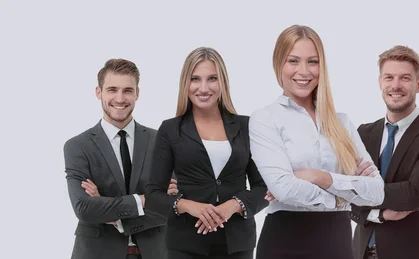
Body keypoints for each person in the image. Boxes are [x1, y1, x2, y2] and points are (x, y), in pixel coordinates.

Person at [248, 24, 385, 259]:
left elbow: (376, 192)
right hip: (285, 240)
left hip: (337, 241)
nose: (304, 71)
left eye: (312, 61)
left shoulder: (342, 122)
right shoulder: (265, 118)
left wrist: (319, 177)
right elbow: (284, 187)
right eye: (293, 61)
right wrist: (345, 195)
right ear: (278, 64)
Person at [145, 47, 269, 259]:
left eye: (212, 78)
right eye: (195, 79)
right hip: (185, 244)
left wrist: (234, 205)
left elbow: (264, 188)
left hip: (237, 244)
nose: (203, 88)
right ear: (186, 83)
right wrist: (189, 206)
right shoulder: (170, 129)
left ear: (223, 82)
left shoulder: (246, 126)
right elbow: (153, 195)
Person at [350, 45, 419, 259]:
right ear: (380, 82)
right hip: (360, 252)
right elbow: (346, 193)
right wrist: (379, 214)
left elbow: (414, 195)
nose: (395, 86)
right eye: (389, 77)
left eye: (405, 78)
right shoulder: (364, 133)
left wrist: (362, 190)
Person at [64, 58, 173, 259]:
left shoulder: (161, 142)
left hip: (155, 252)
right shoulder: (78, 146)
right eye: (112, 90)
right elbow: (84, 208)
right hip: (96, 253)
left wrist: (114, 215)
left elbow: (172, 205)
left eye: (128, 90)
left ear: (137, 93)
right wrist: (143, 200)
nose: (120, 98)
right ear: (99, 92)